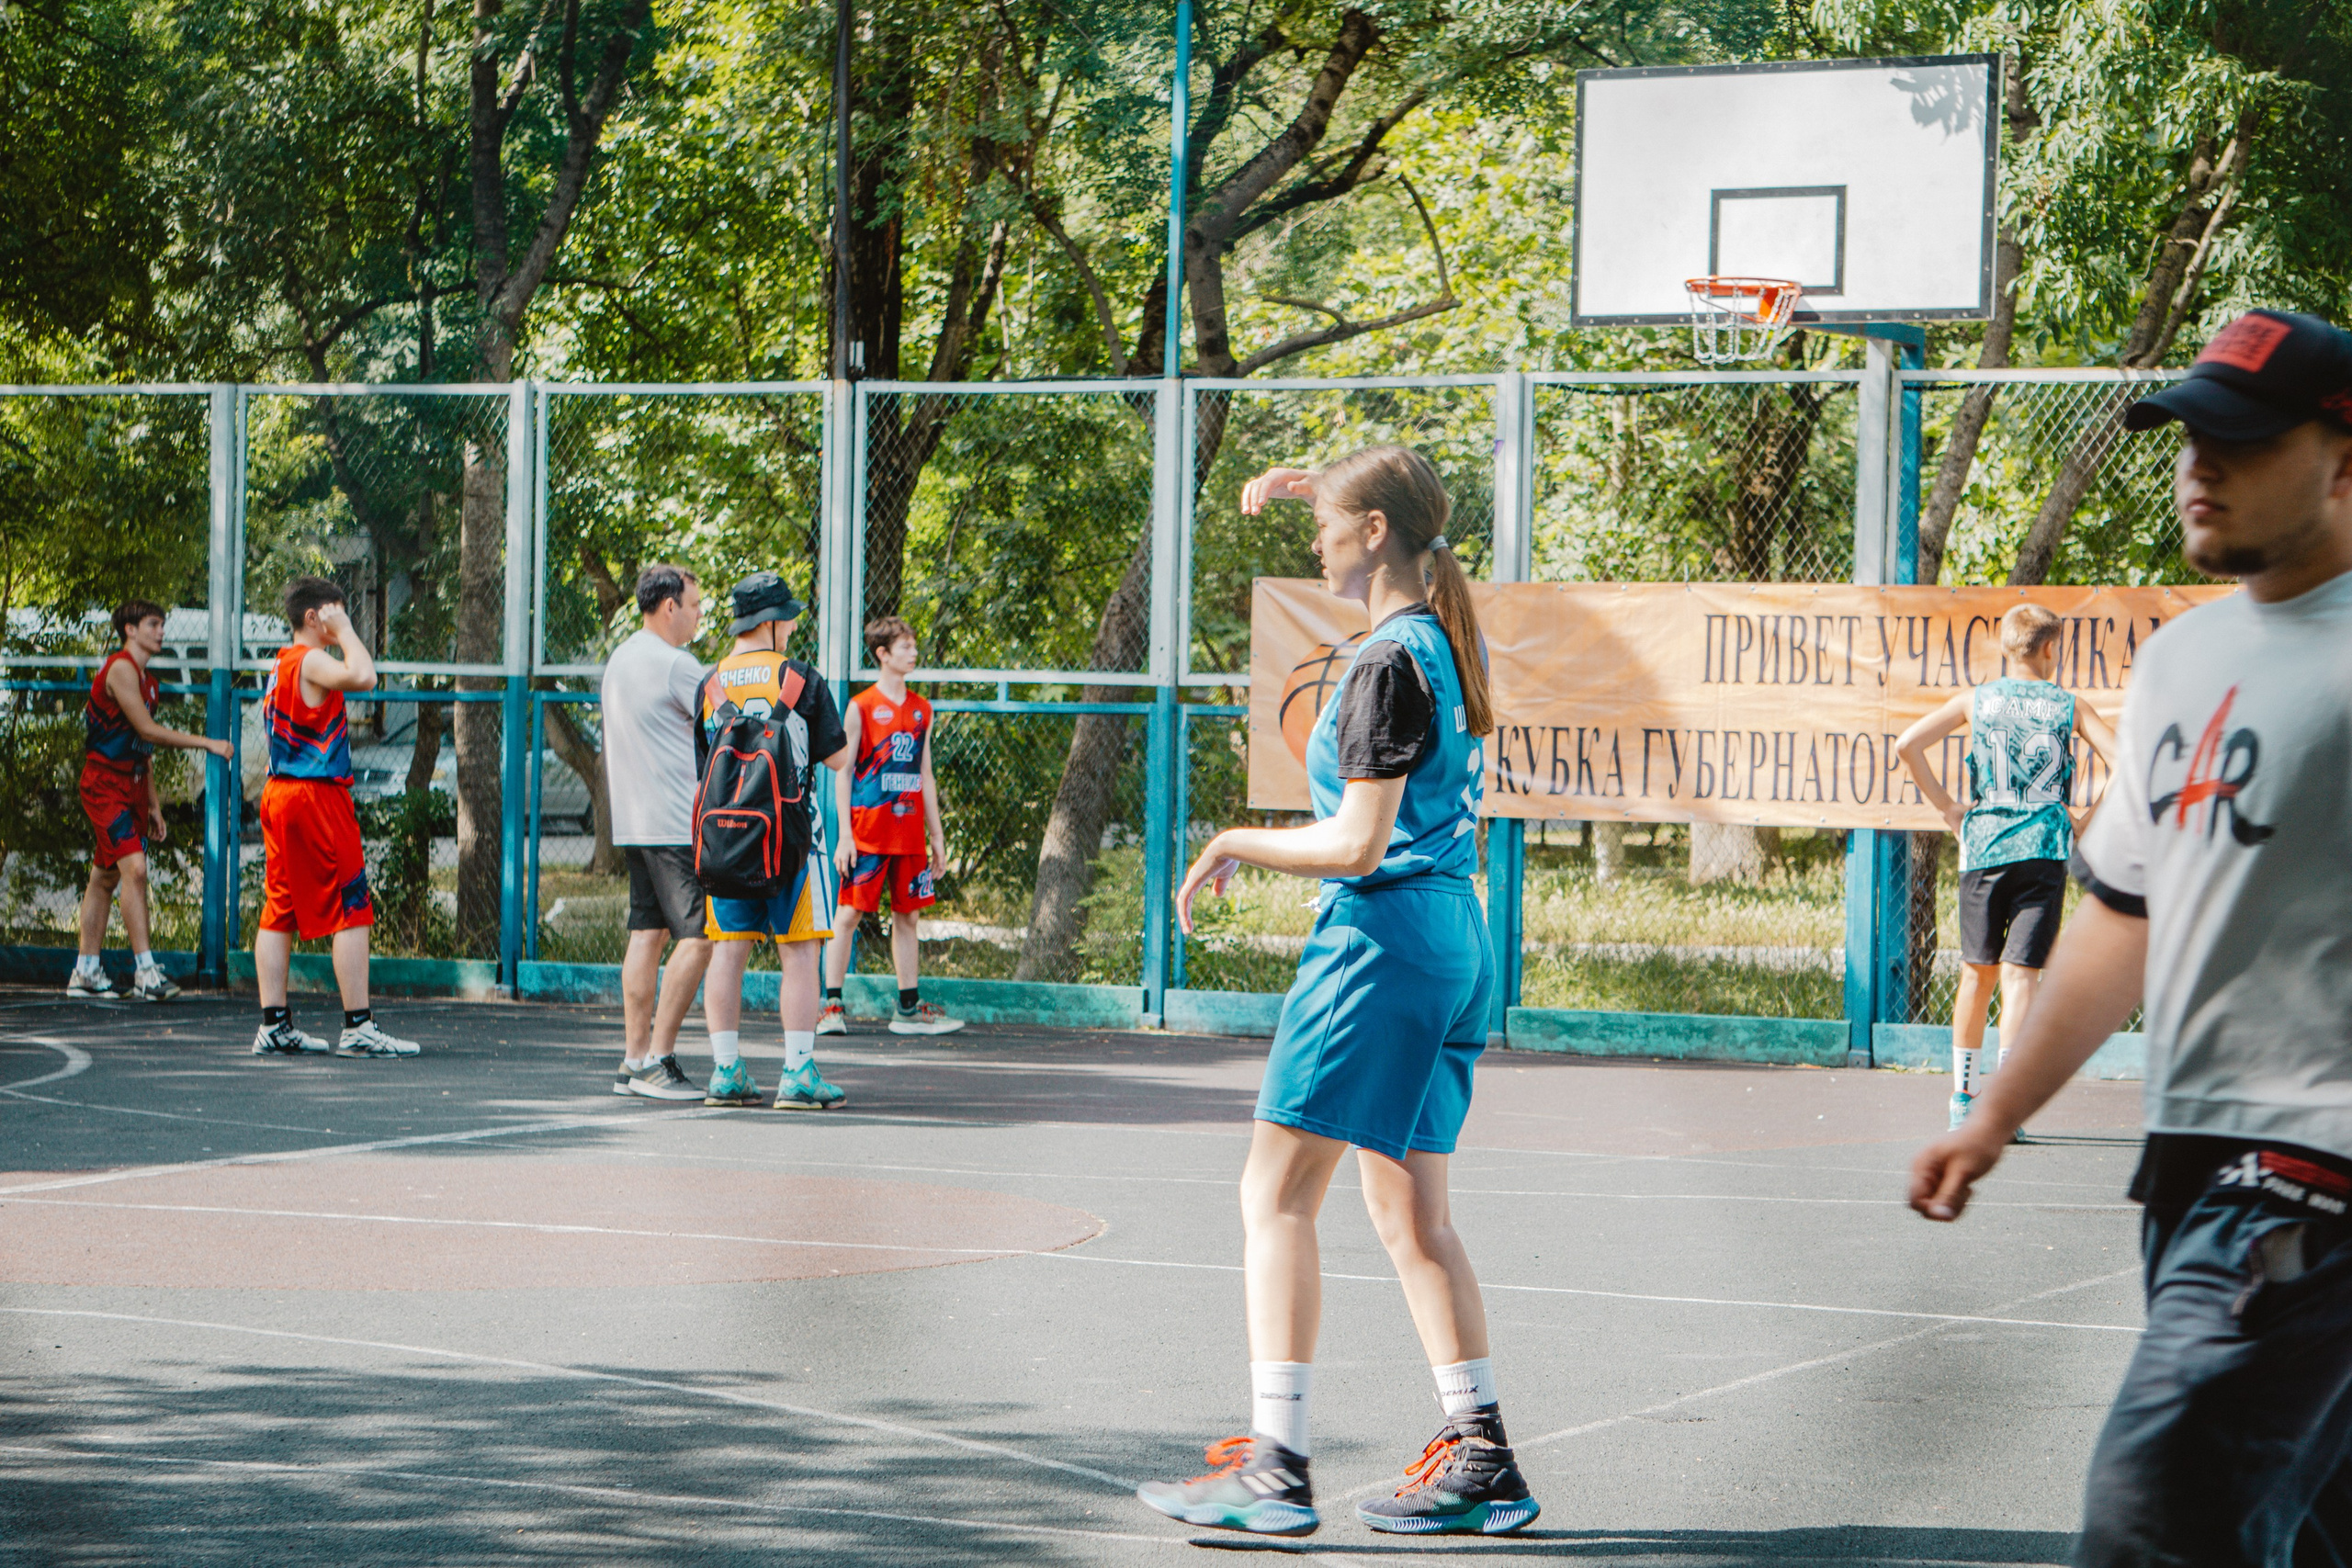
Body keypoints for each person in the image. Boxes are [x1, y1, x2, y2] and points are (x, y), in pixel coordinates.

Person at [1909, 310, 2352, 1566]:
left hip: (2311, 1170)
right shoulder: (2179, 661)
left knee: (2156, 1515)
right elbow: (2119, 921)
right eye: (2188, 433)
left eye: (2244, 436)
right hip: (2191, 1161)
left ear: (2343, 459)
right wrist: (1993, 1114)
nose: (2199, 462)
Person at [1136, 447, 1539, 1540]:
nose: (1313, 540)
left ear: (1374, 535)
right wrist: (1314, 475)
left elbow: (1359, 843)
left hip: (1381, 945)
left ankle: (1276, 1467)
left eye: (1327, 522)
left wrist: (1233, 840)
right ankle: (1483, 1455)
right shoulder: (1440, 642)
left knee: (1275, 1198)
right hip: (1454, 938)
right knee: (1412, 1215)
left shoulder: (1384, 665)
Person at [1895, 604, 2115, 1130]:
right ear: (2048, 649)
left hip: (1985, 850)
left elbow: (1908, 745)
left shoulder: (1976, 700)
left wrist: (1948, 807)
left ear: (2005, 648)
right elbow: (2126, 761)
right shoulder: (2069, 706)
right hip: (2042, 851)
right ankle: (2005, 1110)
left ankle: (1962, 1100)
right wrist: (2086, 820)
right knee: (2022, 978)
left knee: (1977, 973)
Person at [695, 570, 852, 1110]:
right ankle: (798, 1072)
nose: (790, 626)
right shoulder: (800, 678)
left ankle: (725, 1070)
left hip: (728, 839)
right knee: (801, 954)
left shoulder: (711, 684)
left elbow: (706, 767)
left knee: (728, 953)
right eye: (787, 617)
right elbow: (837, 757)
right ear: (771, 622)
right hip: (792, 839)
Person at [250, 576, 416, 1059]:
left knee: (280, 906)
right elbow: (365, 677)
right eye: (335, 610)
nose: (343, 617)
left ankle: (275, 1025)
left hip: (281, 791)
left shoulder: (281, 663)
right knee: (352, 902)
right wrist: (344, 631)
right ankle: (358, 1026)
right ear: (313, 617)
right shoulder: (312, 659)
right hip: (316, 796)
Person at [68, 600, 233, 1001]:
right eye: (153, 624)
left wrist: (154, 805)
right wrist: (207, 742)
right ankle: (146, 971)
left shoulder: (150, 682)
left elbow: (142, 747)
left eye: (162, 624)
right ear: (130, 629)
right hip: (104, 784)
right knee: (136, 870)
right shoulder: (121, 669)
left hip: (134, 787)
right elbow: (149, 729)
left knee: (105, 877)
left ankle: (85, 972)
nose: (161, 631)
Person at [818, 615, 965, 1037]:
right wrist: (844, 834)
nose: (913, 652)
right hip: (867, 829)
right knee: (848, 914)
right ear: (883, 654)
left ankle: (907, 1010)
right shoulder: (861, 706)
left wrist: (936, 835)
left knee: (909, 917)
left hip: (909, 833)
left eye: (914, 646)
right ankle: (831, 1006)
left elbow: (926, 774)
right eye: (905, 647)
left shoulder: (922, 709)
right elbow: (843, 773)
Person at [598, 563, 712, 1100]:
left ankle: (632, 1058)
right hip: (674, 821)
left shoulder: (620, 658)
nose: (697, 616)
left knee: (647, 934)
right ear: (670, 606)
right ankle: (658, 1061)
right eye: (693, 606)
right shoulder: (676, 664)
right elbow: (731, 719)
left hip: (635, 821)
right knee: (700, 937)